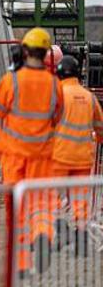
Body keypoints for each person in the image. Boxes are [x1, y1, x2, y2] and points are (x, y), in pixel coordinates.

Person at [0, 27, 62, 273]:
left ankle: (21, 263)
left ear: (25, 50)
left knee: (16, 209)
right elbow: (56, 117)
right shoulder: (54, 84)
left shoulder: (10, 82)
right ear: (45, 54)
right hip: (42, 155)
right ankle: (42, 234)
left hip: (13, 155)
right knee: (41, 202)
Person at [50, 55, 103, 250]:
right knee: (80, 197)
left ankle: (60, 232)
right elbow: (99, 125)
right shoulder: (88, 96)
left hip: (59, 156)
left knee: (55, 196)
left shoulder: (57, 95)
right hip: (82, 158)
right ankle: (81, 235)